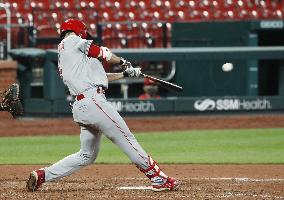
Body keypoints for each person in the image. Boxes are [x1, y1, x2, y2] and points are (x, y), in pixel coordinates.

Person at [26, 19, 180, 192]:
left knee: (86, 155)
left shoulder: (69, 54)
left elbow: (100, 77)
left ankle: (43, 175)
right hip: (93, 102)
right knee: (126, 138)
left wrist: (125, 74)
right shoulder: (71, 40)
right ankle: (158, 179)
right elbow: (102, 53)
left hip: (82, 106)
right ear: (79, 31)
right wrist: (122, 60)